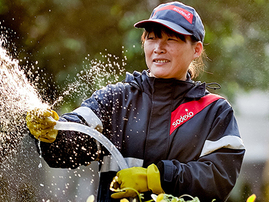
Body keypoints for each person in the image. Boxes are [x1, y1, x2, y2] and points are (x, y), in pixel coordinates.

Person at [26, 2, 245, 202]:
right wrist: (52, 133)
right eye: (151, 37)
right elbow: (69, 145)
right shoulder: (116, 99)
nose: (159, 47)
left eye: (171, 38)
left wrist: (155, 179)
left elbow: (219, 179)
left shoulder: (214, 111)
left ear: (196, 50)